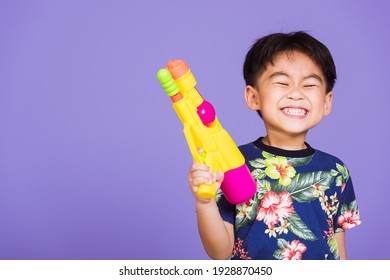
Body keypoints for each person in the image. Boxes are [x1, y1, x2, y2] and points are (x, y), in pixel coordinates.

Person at [187, 31, 361, 260]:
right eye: (282, 82)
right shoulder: (232, 163)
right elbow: (219, 253)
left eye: (309, 85)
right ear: (253, 97)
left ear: (327, 102)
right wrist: (205, 202)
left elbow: (339, 252)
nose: (296, 94)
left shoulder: (336, 170)